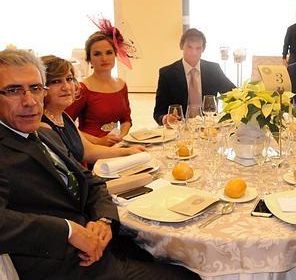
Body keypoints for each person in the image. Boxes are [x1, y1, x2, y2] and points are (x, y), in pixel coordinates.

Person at [0, 49, 200, 279]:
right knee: (189, 276)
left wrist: (104, 221)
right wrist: (68, 230)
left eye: (35, 88)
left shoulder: (45, 133)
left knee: (183, 256)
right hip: (68, 265)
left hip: (102, 243)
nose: (29, 101)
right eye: (14, 90)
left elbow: (91, 181)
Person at [41, 55, 144, 164]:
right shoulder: (43, 126)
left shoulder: (62, 116)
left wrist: (127, 151)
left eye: (69, 79)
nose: (66, 87)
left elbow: (89, 150)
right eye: (56, 82)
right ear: (41, 88)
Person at [66, 19, 134, 147]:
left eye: (109, 52)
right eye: (97, 54)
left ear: (115, 55)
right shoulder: (82, 88)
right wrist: (98, 141)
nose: (104, 58)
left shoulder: (121, 85)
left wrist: (121, 136)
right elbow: (66, 124)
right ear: (89, 58)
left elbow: (126, 120)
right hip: (91, 149)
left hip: (116, 146)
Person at [153, 28, 235, 125]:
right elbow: (158, 112)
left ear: (203, 49)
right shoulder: (167, 74)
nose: (194, 53)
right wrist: (166, 118)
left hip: (209, 127)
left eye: (198, 48)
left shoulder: (213, 69)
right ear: (181, 46)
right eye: (189, 47)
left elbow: (233, 94)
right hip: (181, 128)